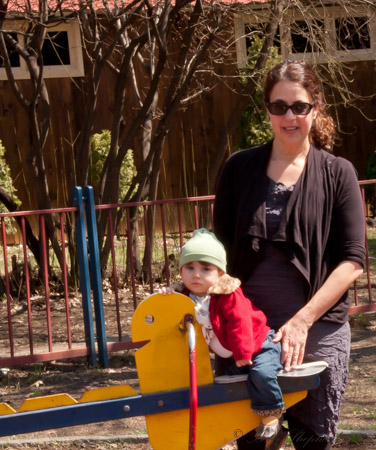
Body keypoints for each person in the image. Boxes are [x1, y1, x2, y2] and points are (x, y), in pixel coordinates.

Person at [213, 60, 366, 450]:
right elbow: (219, 252)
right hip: (247, 334)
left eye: (299, 106)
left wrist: (302, 321)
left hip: (316, 332)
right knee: (253, 441)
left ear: (316, 108)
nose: (290, 116)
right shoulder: (238, 168)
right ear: (267, 110)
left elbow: (352, 260)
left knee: (309, 441)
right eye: (279, 107)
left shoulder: (338, 173)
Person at [159, 228, 286, 443]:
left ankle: (272, 415)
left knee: (261, 375)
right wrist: (164, 296)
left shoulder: (228, 293)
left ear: (220, 273)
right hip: (234, 353)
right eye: (189, 267)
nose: (196, 274)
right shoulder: (185, 297)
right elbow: (168, 315)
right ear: (181, 271)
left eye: (205, 268)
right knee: (230, 387)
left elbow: (241, 323)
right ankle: (265, 434)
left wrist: (243, 352)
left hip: (258, 345)